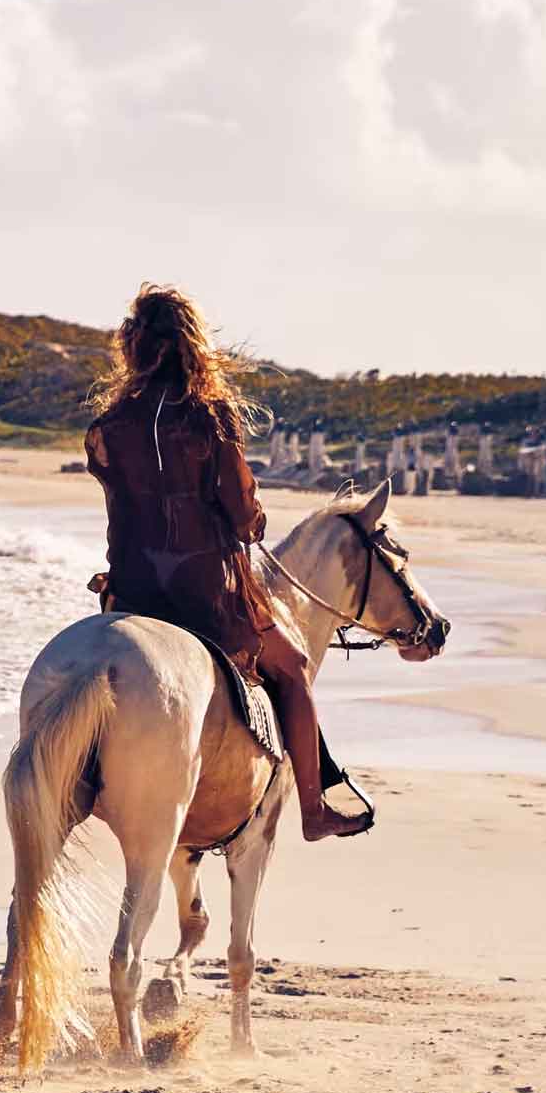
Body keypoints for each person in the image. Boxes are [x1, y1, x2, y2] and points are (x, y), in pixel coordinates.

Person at [84, 284, 370, 840]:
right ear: (191, 345)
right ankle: (313, 810)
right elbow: (242, 516)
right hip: (205, 596)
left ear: (134, 348)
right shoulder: (210, 416)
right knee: (292, 670)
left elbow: (121, 506)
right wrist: (252, 520)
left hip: (134, 591)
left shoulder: (108, 427)